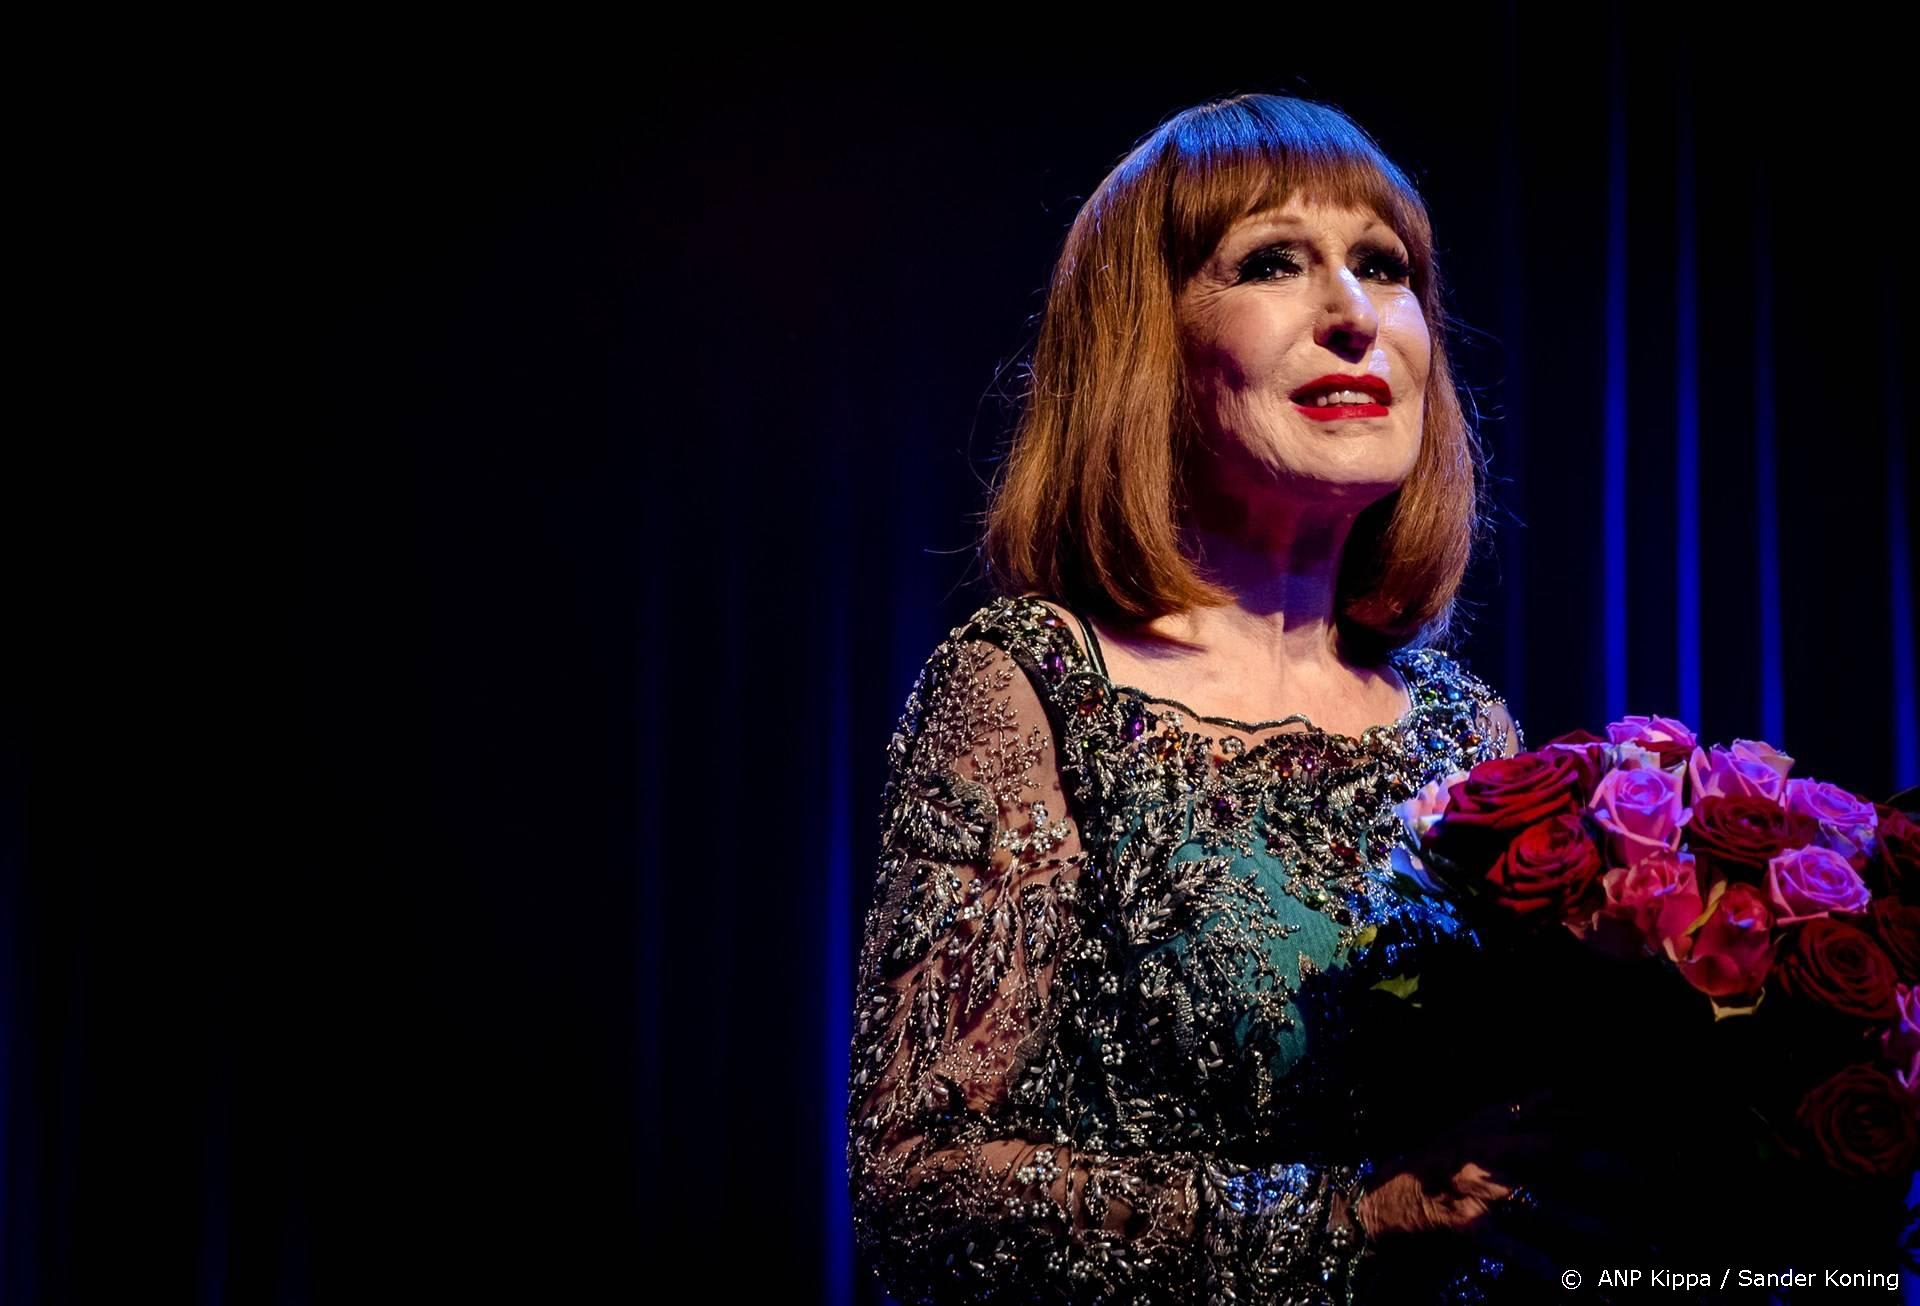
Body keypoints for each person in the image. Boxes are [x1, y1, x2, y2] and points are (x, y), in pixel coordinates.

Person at [846, 93, 1554, 1305]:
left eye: (1384, 267)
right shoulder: (1031, 687)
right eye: (1273, 262)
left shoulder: (1467, 729)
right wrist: (1359, 1216)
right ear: (1147, 344)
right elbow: (919, 1188)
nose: (1353, 315)